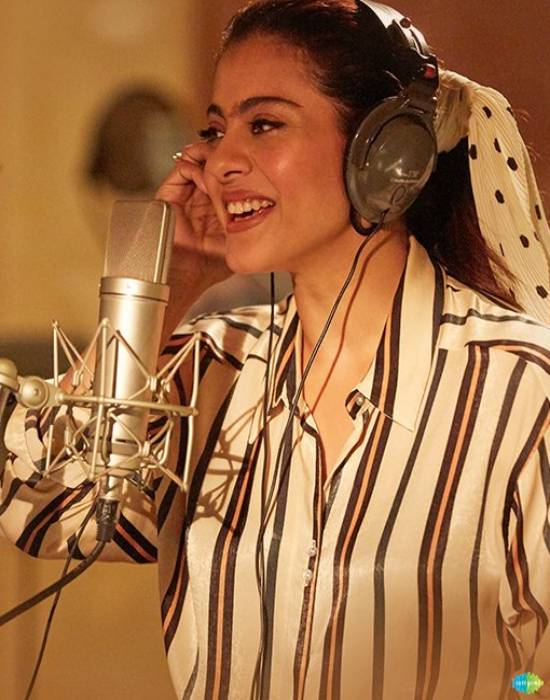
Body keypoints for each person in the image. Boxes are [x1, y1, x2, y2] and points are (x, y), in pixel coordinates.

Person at [2, 1, 550, 698]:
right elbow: (44, 511)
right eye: (215, 130)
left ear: (391, 153)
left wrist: (510, 685)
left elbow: (540, 673)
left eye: (263, 125)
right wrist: (162, 292)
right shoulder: (213, 366)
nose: (220, 163)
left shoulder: (522, 391)